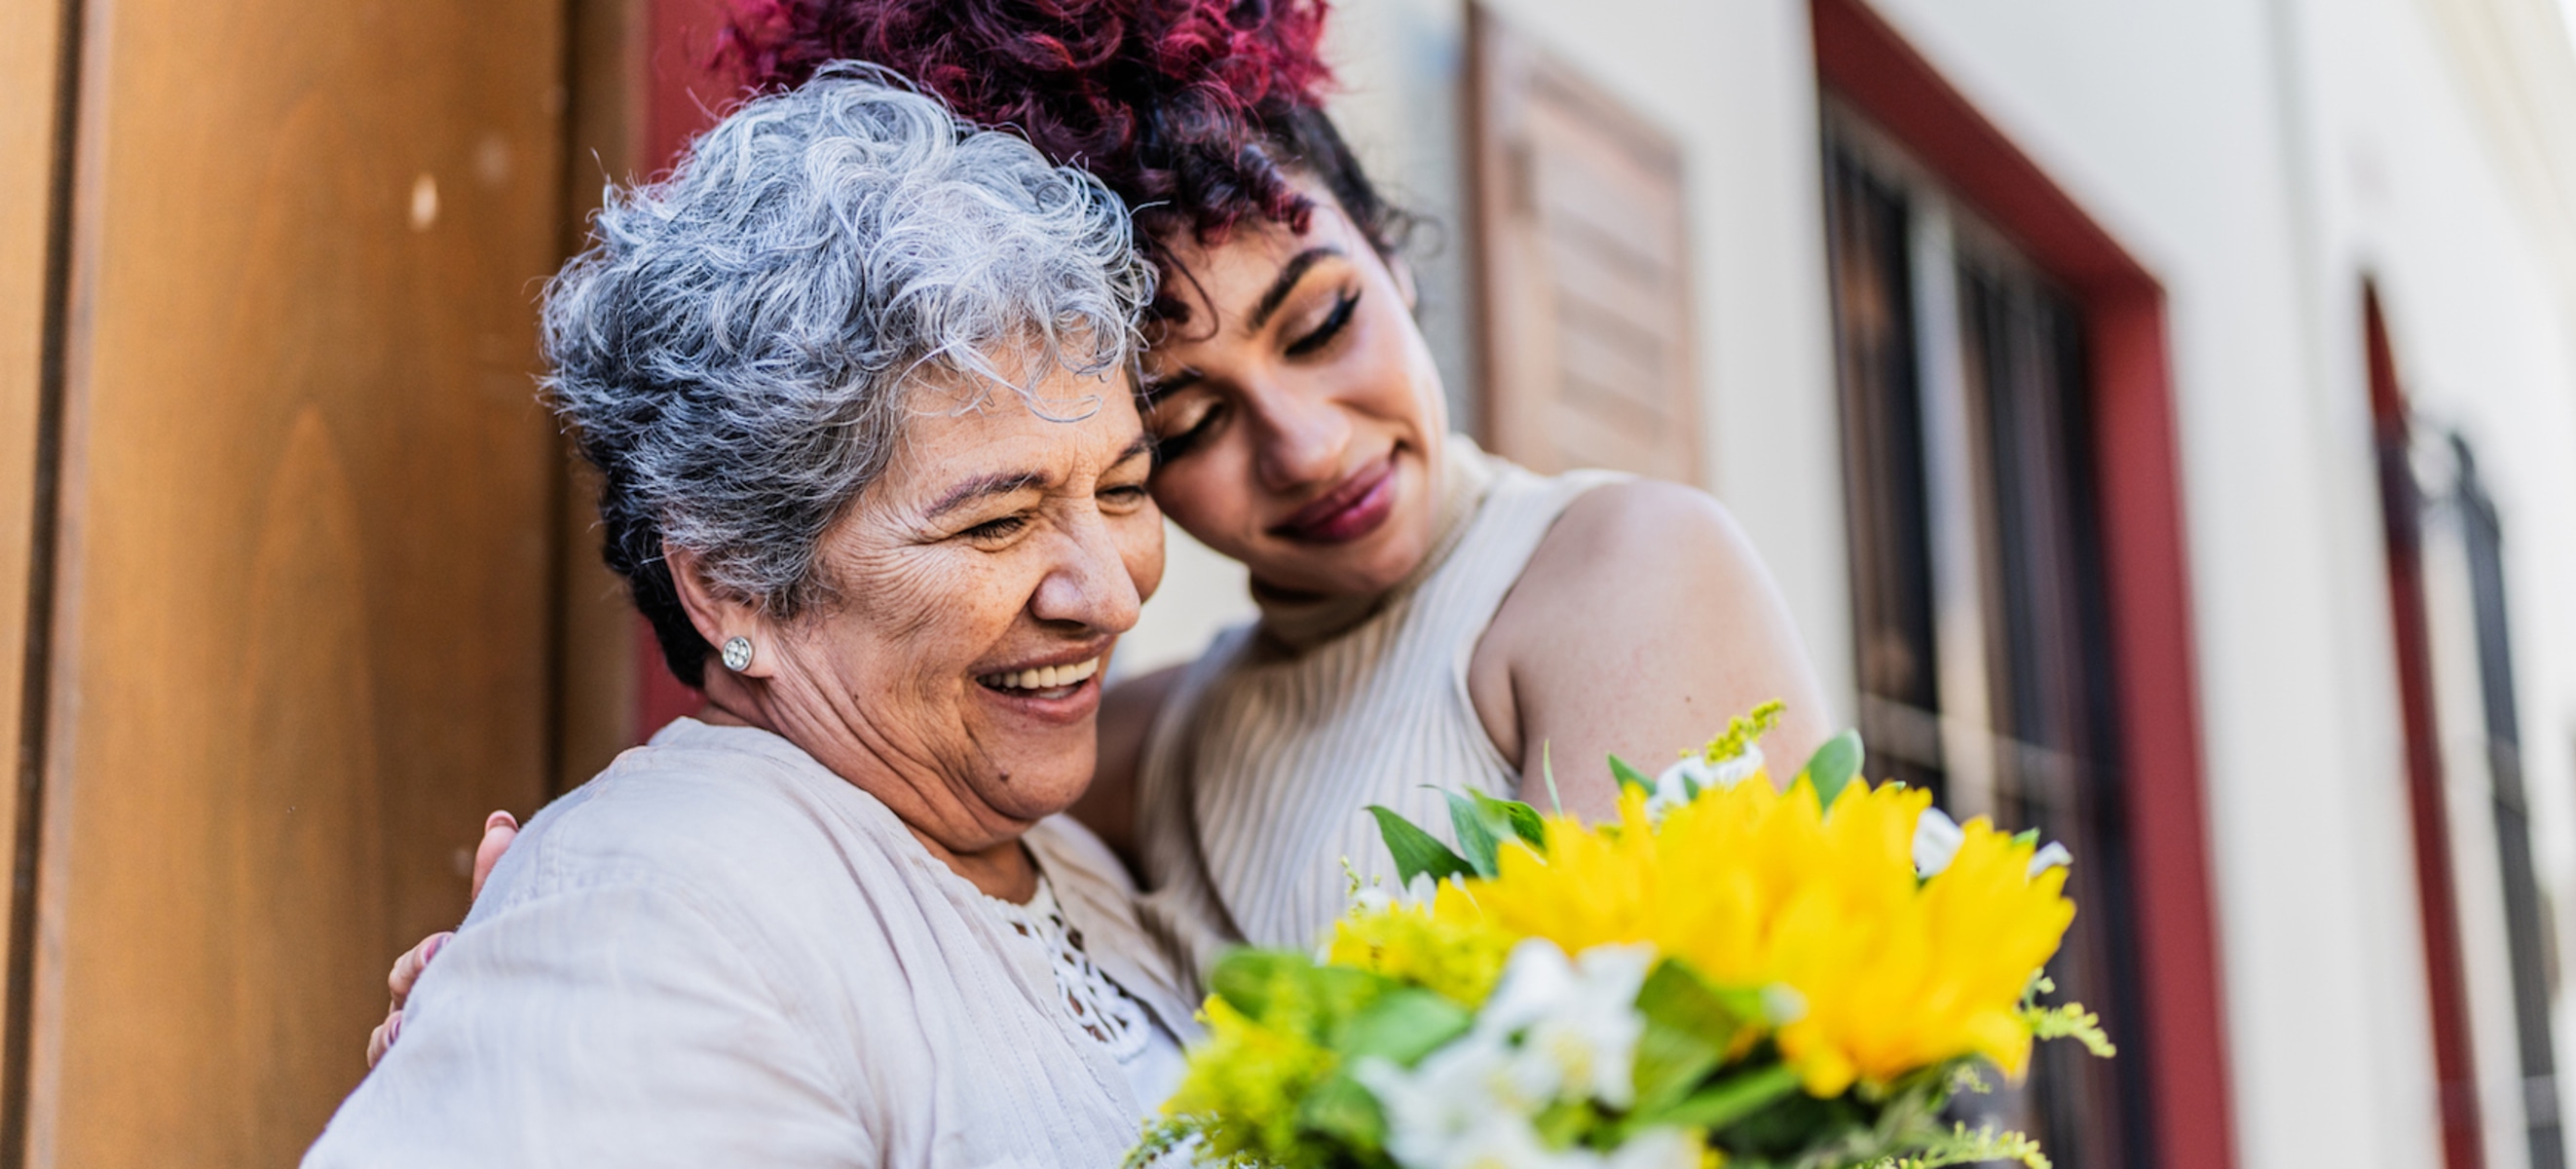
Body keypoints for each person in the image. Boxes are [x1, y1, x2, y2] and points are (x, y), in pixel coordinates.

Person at [372, 0, 1835, 1046]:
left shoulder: (1619, 576)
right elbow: (837, 777)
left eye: (1321, 320)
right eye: (1181, 425)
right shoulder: (1138, 744)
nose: (1307, 445)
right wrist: (543, 968)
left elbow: (1697, 1101)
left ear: (1388, 248)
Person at [311, 66, 1195, 1165]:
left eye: (1119, 489)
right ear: (734, 581)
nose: (1108, 594)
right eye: (998, 524)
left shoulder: (1053, 854)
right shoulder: (649, 915)